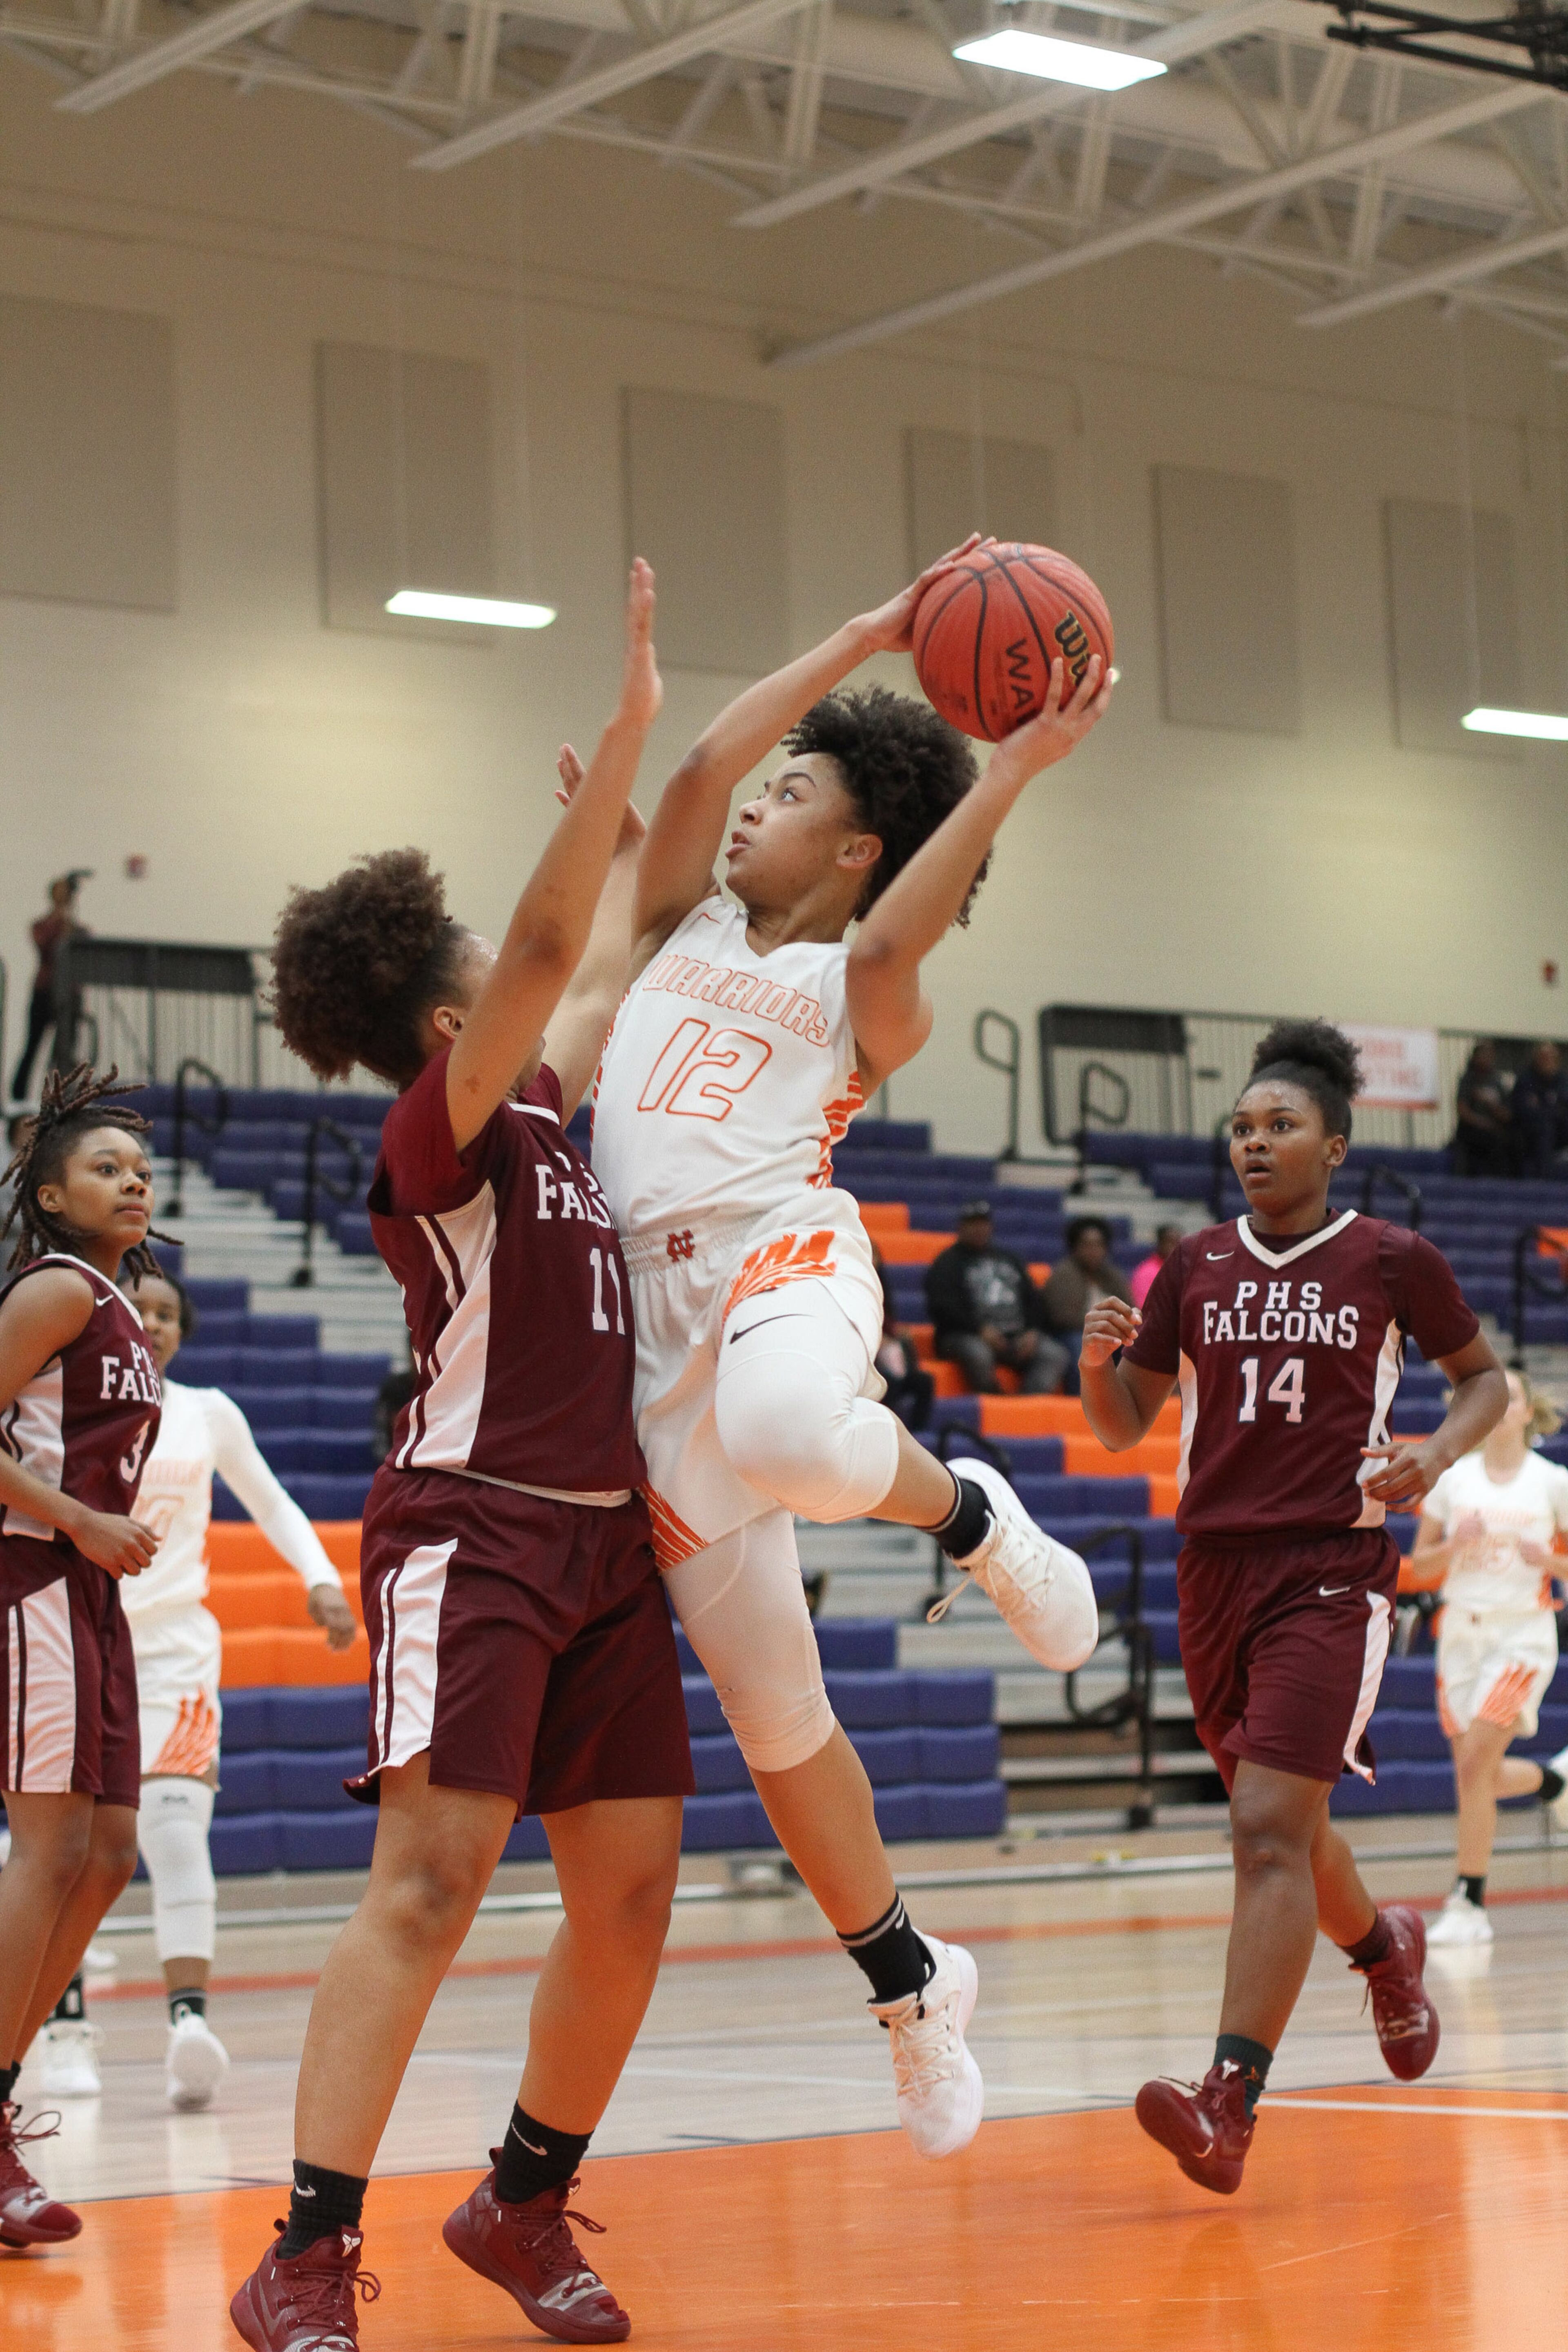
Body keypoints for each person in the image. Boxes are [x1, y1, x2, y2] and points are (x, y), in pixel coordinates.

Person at [588, 535, 1109, 2163]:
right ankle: (910, 1982)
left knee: (803, 1431)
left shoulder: (847, 989)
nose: (758, 802)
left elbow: (894, 947)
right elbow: (689, 766)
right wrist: (869, 635)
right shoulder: (676, 923)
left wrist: (1013, 768)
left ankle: (973, 1516)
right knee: (774, 1715)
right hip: (649, 1346)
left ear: (861, 844)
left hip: (782, 1265)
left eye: (797, 791)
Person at [231, 562, 695, 2352]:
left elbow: (614, 948)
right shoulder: (440, 1128)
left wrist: (638, 830)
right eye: (493, 990)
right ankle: (301, 2250)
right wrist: (627, 735)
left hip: (599, 1553)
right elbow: (556, 953)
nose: (522, 998)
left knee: (634, 1893)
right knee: (426, 1885)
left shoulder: (550, 1110)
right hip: (474, 1534)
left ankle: (517, 2194)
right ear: (445, 1027)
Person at [1078, 1019, 1507, 2196]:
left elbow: (1485, 1380)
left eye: (1281, 1127)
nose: (1255, 1144)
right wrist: (1093, 1364)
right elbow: (1124, 1423)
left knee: (1265, 1826)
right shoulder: (1197, 1262)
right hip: (1210, 1575)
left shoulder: (1392, 1258)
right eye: (1242, 1128)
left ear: (1337, 1144)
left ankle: (1229, 2105)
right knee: (1292, 1830)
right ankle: (1386, 1952)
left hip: (1330, 1571)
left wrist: (1435, 1455)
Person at [40, 1266, 359, 2111]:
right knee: (62, 1855)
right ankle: (64, 2031)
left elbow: (275, 1502)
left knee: (178, 1837)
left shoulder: (207, 1412)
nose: (153, 1321)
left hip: (177, 1651)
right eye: (139, 1308)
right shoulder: (64, 1403)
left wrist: (322, 1578)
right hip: (77, 1641)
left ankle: (189, 2026)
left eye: (168, 1312)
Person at [0, 1063, 165, 2248]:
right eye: (105, 1169)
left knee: (110, 1852)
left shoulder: (118, 1307)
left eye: (141, 1170)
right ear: (51, 1197)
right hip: (33, 1577)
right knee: (52, 1842)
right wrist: (79, 1521)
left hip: (90, 1594)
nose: (132, 1184)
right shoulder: (55, 1288)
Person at [1407, 1370, 1568, 1947]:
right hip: (1461, 1637)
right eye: (1492, 1400)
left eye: (1513, 1399)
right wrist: (1456, 1543)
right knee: (1472, 1774)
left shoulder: (1553, 1483)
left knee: (1476, 1762)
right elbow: (1420, 1566)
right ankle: (1554, 1783)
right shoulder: (1453, 1481)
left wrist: (1546, 1561)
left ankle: (1469, 1900)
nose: (1502, 1409)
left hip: (1522, 1635)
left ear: (1528, 1412)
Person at [925, 1201, 1068, 1395]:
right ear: (961, 1227)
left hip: (1016, 1336)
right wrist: (979, 1329)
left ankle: (1026, 1407)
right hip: (966, 1335)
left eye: (983, 1223)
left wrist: (1033, 1331)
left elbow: (1034, 1300)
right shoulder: (947, 1263)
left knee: (1054, 1354)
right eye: (973, 1224)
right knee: (979, 1354)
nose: (979, 1229)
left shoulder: (1009, 1258)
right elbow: (943, 1308)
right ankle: (994, 1401)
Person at [9, 873, 89, 1104]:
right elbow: (45, 945)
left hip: (69, 995)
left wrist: (68, 920)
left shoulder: (77, 930)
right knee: (33, 1046)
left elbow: (81, 946)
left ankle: (59, 1099)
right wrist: (60, 918)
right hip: (45, 992)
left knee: (65, 1054)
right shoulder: (41, 926)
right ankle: (19, 1101)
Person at [1040, 1214, 1133, 1354]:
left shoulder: (1113, 1275)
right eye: (1087, 1245)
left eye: (1098, 1245)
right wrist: (1101, 1325)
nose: (1093, 1251)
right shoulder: (1063, 1275)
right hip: (1071, 1334)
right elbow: (1061, 1318)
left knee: (1135, 1342)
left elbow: (1129, 1309)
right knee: (1083, 1344)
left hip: (1110, 1333)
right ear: (1075, 1247)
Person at [870, 1239, 934, 1432]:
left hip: (887, 1352)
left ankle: (918, 1432)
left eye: (875, 1255)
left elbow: (888, 1320)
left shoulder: (882, 1284)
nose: (873, 1260)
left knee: (924, 1381)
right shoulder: (853, 1286)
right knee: (891, 1380)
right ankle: (888, 1431)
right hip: (869, 1359)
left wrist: (895, 1334)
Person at [1452, 1040, 1513, 1178]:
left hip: (1494, 1131)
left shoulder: (1498, 1081)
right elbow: (1463, 1110)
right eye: (1484, 1055)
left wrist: (1492, 1104)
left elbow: (1507, 1115)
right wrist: (1483, 1123)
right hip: (1471, 1130)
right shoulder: (1468, 1080)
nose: (1487, 1059)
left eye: (1490, 1056)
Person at [1508, 1042, 1568, 1181]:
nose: (1548, 1062)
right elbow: (1524, 1111)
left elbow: (1564, 1107)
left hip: (1560, 1128)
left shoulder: (1563, 1081)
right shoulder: (1526, 1080)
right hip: (1531, 1132)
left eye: (1552, 1059)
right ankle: (1545, 1180)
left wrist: (1546, 1109)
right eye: (1544, 1058)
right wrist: (1551, 1111)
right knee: (1545, 1129)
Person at [1130, 1222, 1182, 1310]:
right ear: (1160, 1244)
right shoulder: (1146, 1273)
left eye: (1179, 1243)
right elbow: (1146, 1310)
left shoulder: (1183, 1270)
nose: (1176, 1248)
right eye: (1171, 1243)